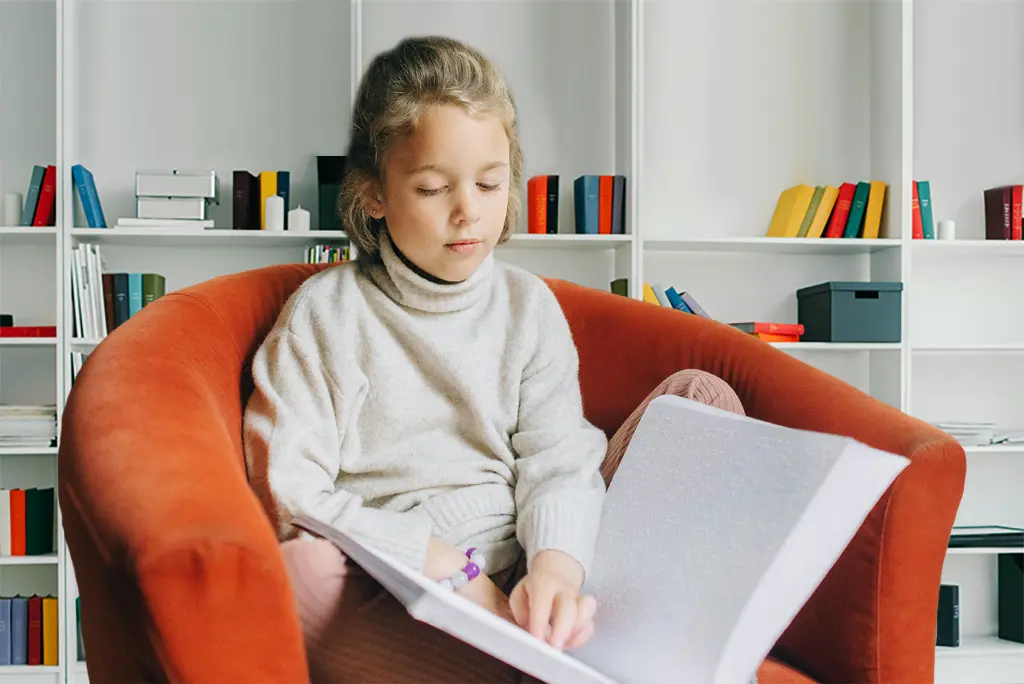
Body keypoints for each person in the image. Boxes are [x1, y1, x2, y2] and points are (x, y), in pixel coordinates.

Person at [242, 35, 745, 683]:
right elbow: (290, 490)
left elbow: (558, 458)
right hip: (413, 582)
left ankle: (577, 635)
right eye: (430, 188)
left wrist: (554, 570)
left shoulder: (526, 306)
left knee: (703, 398)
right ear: (373, 194)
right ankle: (529, 663)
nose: (467, 211)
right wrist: (451, 567)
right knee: (301, 571)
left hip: (530, 558)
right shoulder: (327, 315)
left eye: (489, 182)